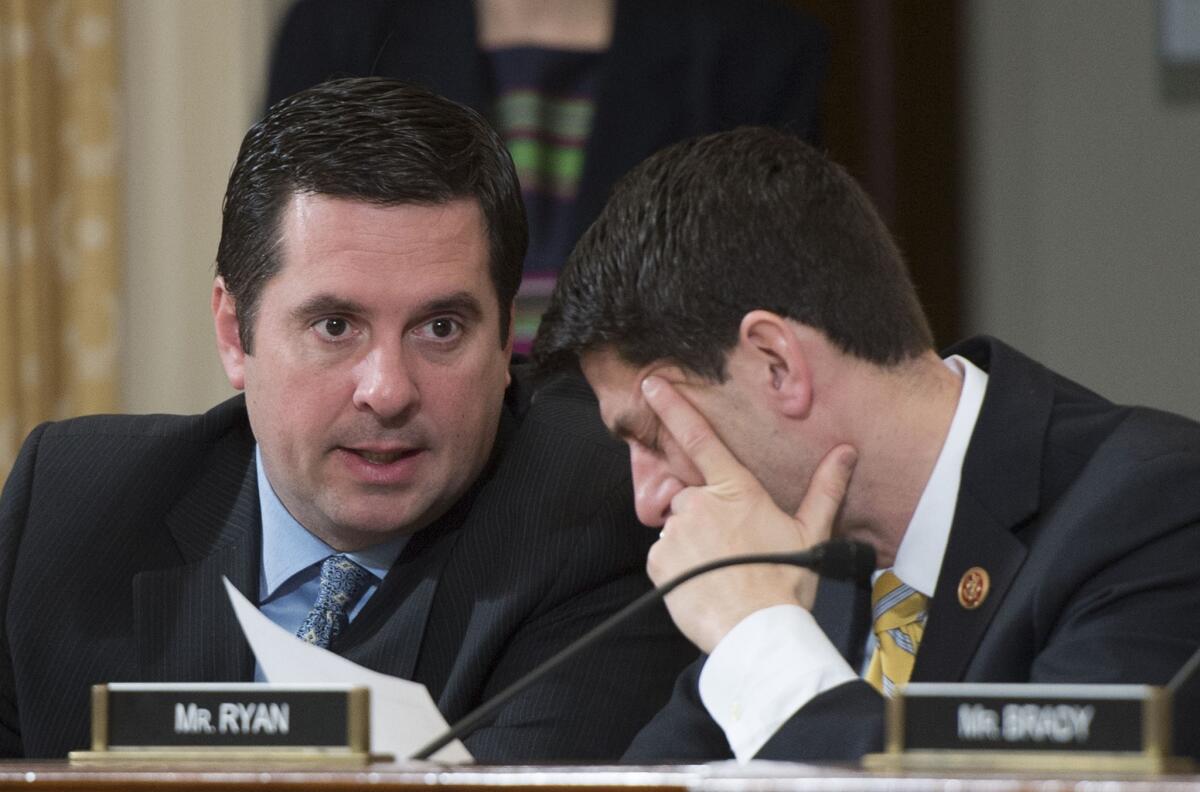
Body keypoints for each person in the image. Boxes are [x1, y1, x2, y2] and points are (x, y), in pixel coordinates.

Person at [0, 78, 694, 761]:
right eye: (335, 326)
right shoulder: (67, 507)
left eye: (441, 328)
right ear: (234, 331)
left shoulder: (598, 519)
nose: (387, 391)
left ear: (506, 338)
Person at [532, 126, 1200, 763]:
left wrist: (761, 640)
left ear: (777, 365)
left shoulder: (1156, 511)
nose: (647, 501)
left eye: (654, 433)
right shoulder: (789, 559)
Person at [266, 0, 827, 353]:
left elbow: (767, 301)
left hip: (652, 462)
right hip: (406, 445)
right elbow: (285, 263)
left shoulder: (760, 46)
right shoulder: (337, 27)